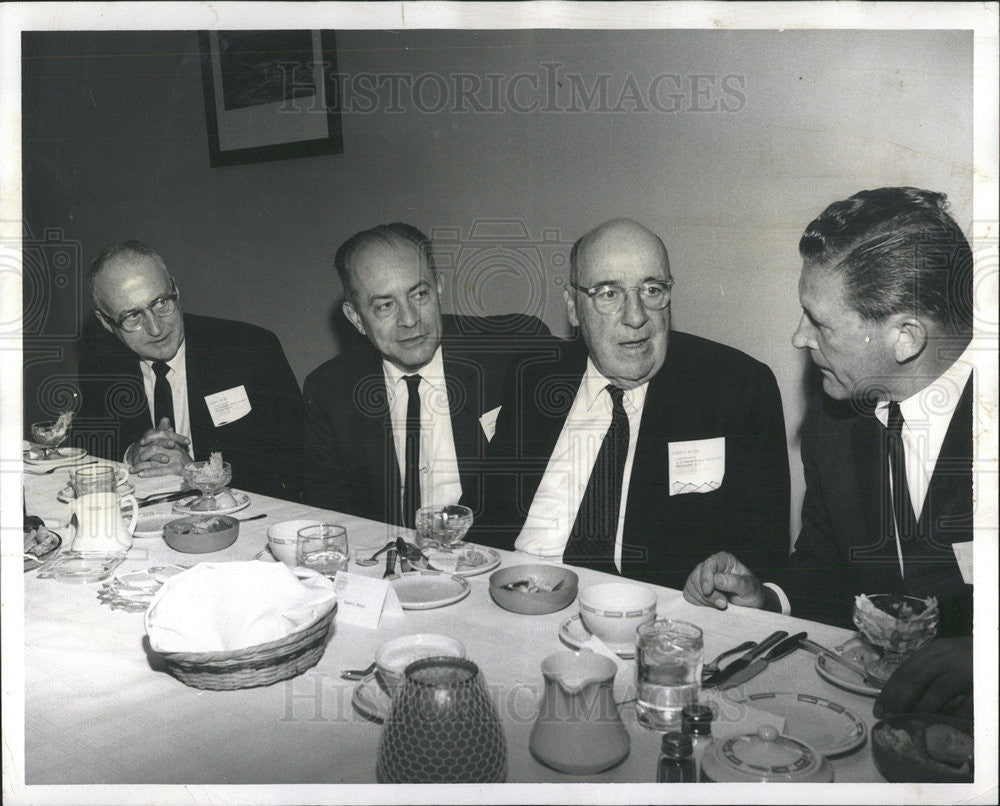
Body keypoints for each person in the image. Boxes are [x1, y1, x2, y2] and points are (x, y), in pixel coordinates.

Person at [683, 187, 974, 715]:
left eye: (819, 322)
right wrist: (768, 600)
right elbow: (824, 567)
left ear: (905, 338)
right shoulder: (833, 421)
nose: (798, 339)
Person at [471, 218, 790, 591]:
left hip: (650, 619)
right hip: (514, 600)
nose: (636, 316)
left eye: (653, 290)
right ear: (573, 307)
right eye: (608, 293)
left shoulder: (734, 388)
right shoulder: (535, 376)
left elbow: (761, 557)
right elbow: (483, 517)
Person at [302, 222, 551, 526]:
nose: (409, 320)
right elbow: (328, 513)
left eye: (419, 294)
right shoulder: (330, 390)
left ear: (439, 288)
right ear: (356, 318)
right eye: (385, 306)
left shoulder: (512, 351)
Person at [75, 240, 304, 501]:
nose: (156, 328)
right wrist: (132, 454)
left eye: (161, 302)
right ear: (105, 322)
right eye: (132, 317)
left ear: (176, 289)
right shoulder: (100, 365)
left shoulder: (250, 350)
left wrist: (196, 472)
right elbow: (88, 447)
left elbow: (296, 468)